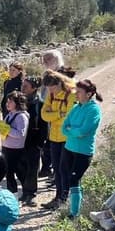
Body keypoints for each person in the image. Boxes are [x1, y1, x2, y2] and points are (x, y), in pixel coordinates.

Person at [57, 79, 104, 217]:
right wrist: (73, 130)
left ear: (89, 94)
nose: (75, 94)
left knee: (74, 179)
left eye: (79, 92)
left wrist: (72, 130)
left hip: (83, 152)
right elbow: (63, 128)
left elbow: (83, 131)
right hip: (69, 148)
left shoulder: (94, 110)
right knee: (65, 175)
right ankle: (72, 205)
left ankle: (74, 213)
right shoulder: (75, 107)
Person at [40, 71, 75, 207]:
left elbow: (68, 116)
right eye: (48, 88)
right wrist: (58, 114)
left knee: (64, 168)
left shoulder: (71, 95)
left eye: (52, 87)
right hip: (54, 137)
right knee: (56, 167)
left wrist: (53, 115)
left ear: (60, 83)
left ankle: (64, 198)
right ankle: (58, 197)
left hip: (66, 137)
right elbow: (44, 115)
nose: (50, 91)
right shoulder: (51, 94)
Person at [19, 77, 46, 205]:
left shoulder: (40, 103)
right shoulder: (19, 101)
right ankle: (25, 192)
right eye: (22, 85)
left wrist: (41, 143)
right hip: (19, 141)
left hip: (33, 141)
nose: (22, 88)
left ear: (34, 88)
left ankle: (31, 194)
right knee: (20, 167)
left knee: (32, 168)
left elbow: (44, 124)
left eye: (26, 86)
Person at [0, 91, 29, 197]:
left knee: (20, 172)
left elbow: (20, 134)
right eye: (7, 101)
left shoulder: (21, 117)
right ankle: (12, 193)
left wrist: (7, 129)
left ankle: (26, 192)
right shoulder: (10, 115)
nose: (7, 103)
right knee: (8, 173)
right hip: (7, 147)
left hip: (15, 150)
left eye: (10, 101)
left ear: (17, 103)